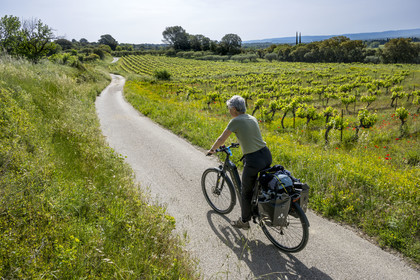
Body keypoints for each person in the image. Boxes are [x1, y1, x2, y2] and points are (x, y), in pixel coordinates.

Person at [207, 95, 272, 229]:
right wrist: (239, 142)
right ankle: (262, 209)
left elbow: (221, 139)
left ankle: (244, 221)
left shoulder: (235, 121)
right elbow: (251, 135)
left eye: (229, 108)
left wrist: (212, 150)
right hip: (265, 154)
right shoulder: (251, 118)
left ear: (235, 109)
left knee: (245, 191)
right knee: (260, 185)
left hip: (253, 159)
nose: (229, 110)